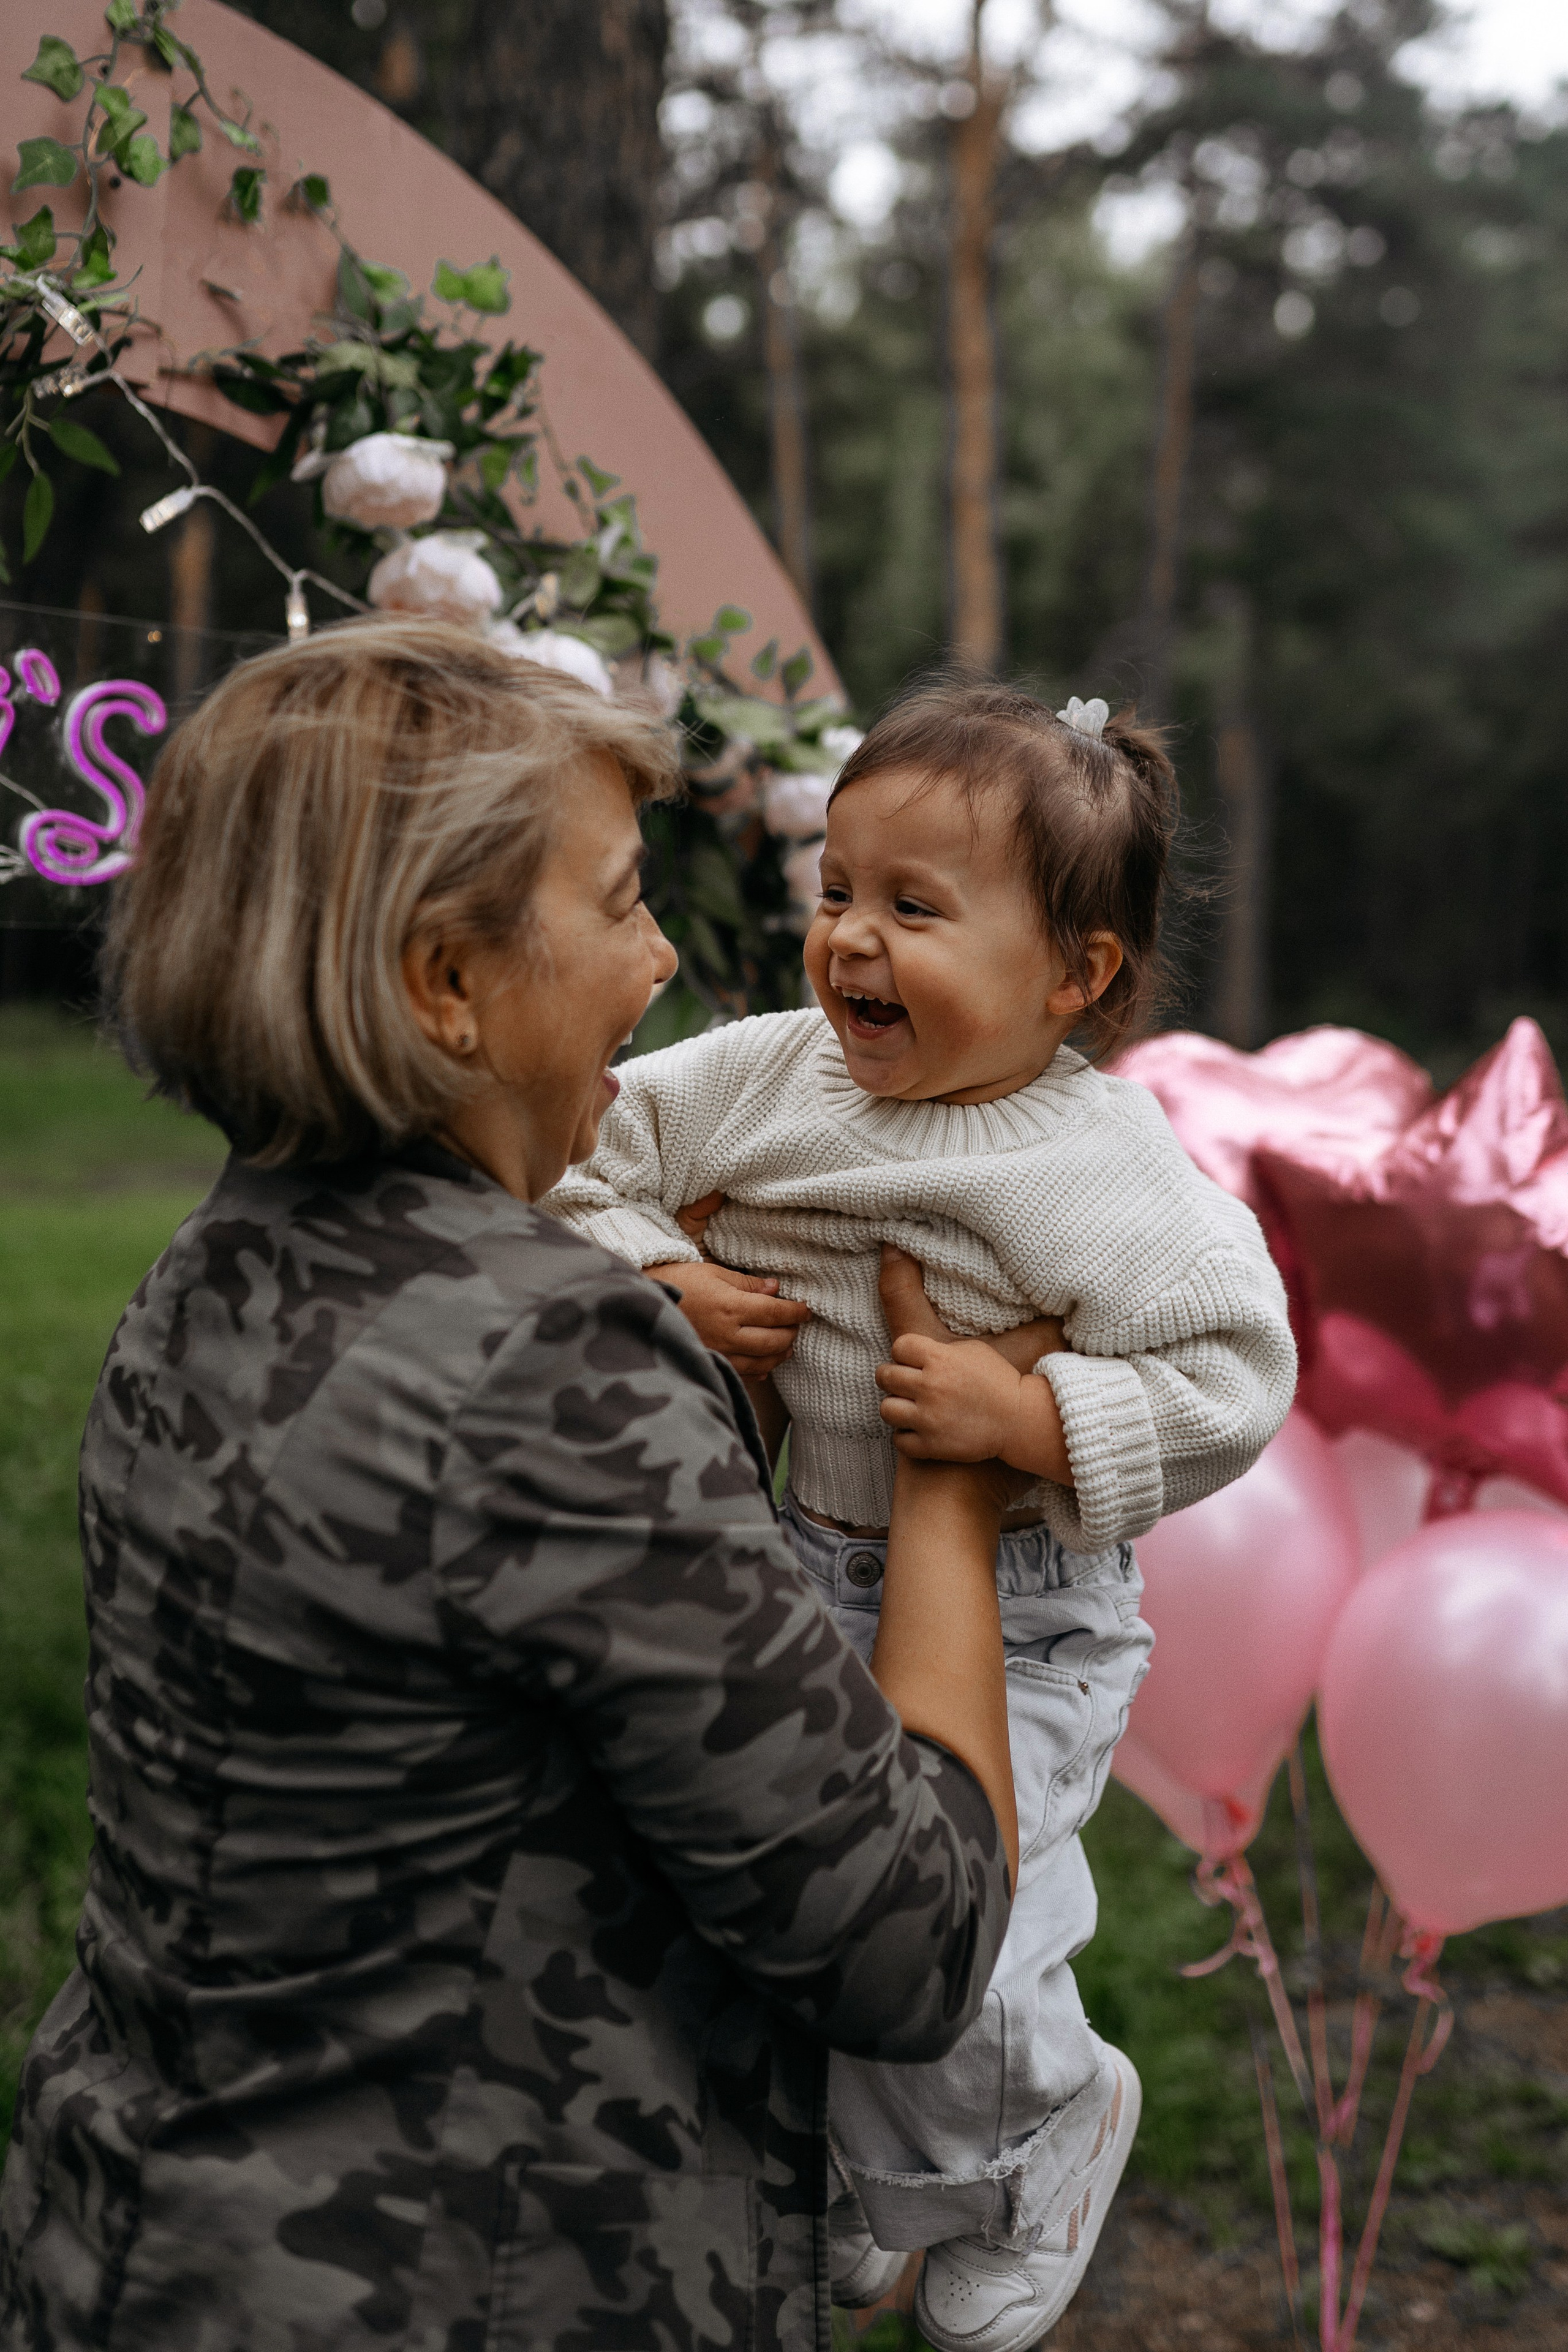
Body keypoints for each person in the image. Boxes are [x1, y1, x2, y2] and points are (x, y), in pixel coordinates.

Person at [0, 621, 1034, 2352]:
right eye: (622, 899)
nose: (663, 960)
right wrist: (947, 1461)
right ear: (442, 985)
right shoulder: (548, 1356)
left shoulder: (222, 1274)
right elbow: (904, 1943)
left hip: (151, 2245)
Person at [543, 676, 1298, 2352]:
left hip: (1025, 1607)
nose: (849, 943)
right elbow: (577, 1157)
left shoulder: (1112, 1174)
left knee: (968, 1930)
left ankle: (1046, 2132)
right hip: (795, 1572)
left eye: (912, 908)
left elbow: (1240, 1373)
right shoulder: (770, 1080)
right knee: (804, 1905)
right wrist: (662, 1273)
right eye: (834, 892)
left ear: (1074, 976)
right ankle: (882, 2192)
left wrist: (1028, 1416)